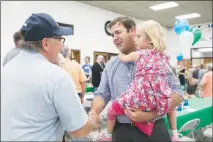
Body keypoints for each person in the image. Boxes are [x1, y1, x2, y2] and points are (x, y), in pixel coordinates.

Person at [1, 13, 98, 141]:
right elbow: (78, 130)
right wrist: (92, 119)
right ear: (46, 43)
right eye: (60, 40)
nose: (62, 46)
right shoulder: (56, 77)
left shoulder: (6, 69)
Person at [89, 17, 184, 142]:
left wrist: (150, 115)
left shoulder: (156, 61)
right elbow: (102, 94)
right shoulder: (111, 65)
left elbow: (178, 92)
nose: (114, 38)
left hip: (154, 131)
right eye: (112, 35)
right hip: (121, 132)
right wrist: (94, 113)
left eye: (118, 32)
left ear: (132, 31)